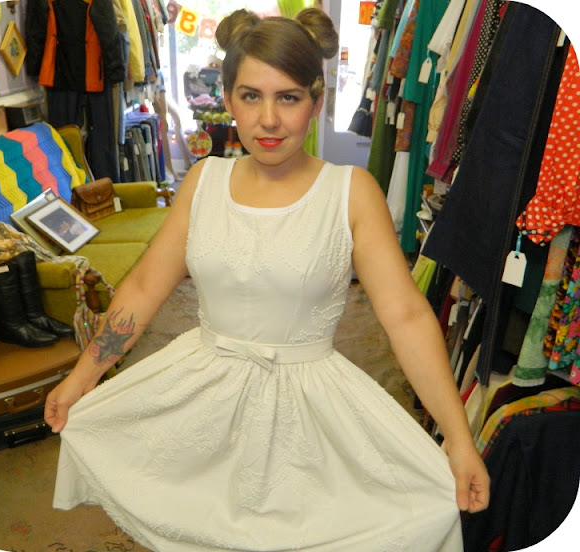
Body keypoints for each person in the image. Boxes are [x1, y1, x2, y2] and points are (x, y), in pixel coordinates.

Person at [45, 8, 490, 551]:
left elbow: (407, 317)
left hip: (310, 408)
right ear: (229, 99)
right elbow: (141, 290)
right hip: (202, 398)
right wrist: (81, 378)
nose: (269, 120)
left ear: (316, 102)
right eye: (251, 96)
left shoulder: (352, 192)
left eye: (289, 98)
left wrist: (459, 439)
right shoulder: (202, 182)